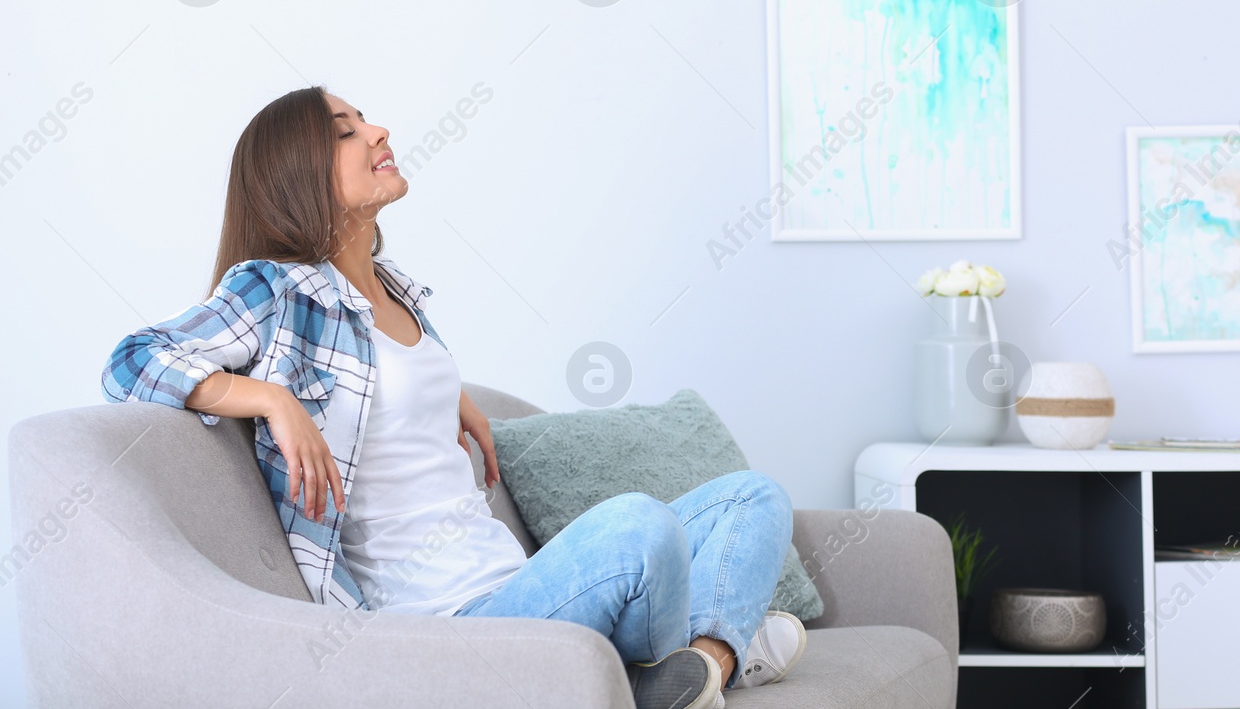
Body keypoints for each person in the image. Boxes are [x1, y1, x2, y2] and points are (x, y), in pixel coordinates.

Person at [101, 85, 805, 709]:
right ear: (297, 174)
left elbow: (379, 386)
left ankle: (700, 668)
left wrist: (448, 392)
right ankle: (707, 658)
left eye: (367, 120)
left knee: (755, 496)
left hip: (522, 585)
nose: (377, 133)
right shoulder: (276, 288)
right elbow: (130, 362)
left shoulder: (396, 290)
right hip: (449, 621)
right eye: (345, 130)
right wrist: (269, 400)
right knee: (639, 527)